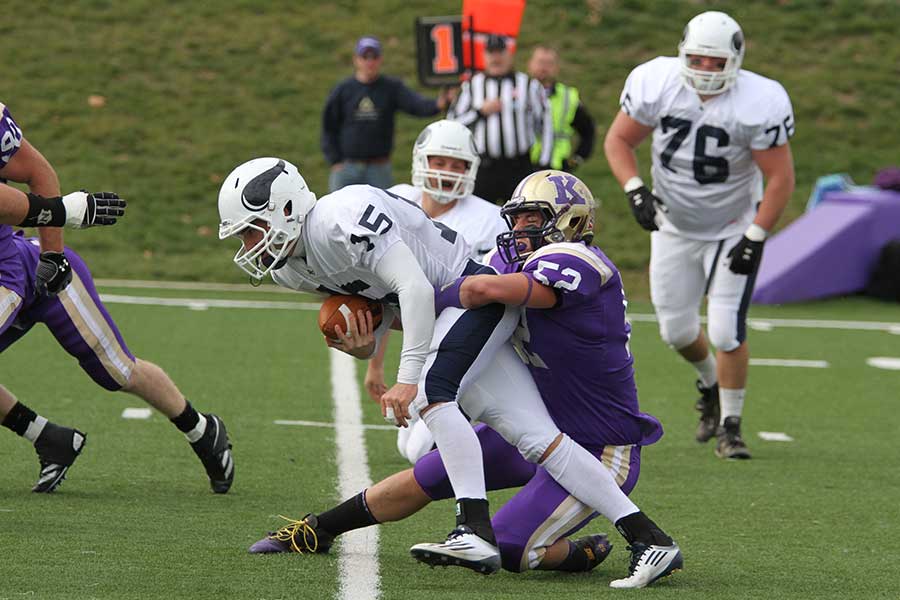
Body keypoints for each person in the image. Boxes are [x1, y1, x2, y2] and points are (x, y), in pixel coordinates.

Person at [245, 171, 682, 589]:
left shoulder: (578, 259)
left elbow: (477, 291)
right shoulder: (517, 257)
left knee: (507, 536)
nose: (521, 228)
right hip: (555, 423)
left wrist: (414, 301)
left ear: (571, 219)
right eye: (518, 218)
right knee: (431, 471)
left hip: (601, 442)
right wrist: (375, 328)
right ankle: (319, 529)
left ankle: (486, 530)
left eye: (536, 218)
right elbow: (464, 294)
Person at [0, 102, 234, 494]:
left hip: (16, 273)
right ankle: (48, 438)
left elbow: (36, 171)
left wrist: (53, 255)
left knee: (118, 372)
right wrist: (64, 211)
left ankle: (201, 429)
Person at [603, 11, 796, 459]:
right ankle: (710, 383)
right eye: (698, 59)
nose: (706, 70)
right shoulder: (656, 81)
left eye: (716, 62)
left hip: (732, 226)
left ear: (736, 59)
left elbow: (781, 178)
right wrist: (635, 191)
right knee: (676, 331)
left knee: (727, 330)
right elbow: (619, 141)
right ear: (682, 54)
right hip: (673, 225)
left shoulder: (760, 100)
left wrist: (756, 234)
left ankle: (731, 425)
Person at [367, 119, 507, 463]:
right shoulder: (397, 201)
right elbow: (386, 291)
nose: (447, 172)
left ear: (471, 169)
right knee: (407, 443)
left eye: (457, 165)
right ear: (421, 161)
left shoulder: (489, 220)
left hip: (473, 337)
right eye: (439, 162)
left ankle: (502, 438)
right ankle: (489, 422)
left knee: (418, 451)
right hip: (426, 340)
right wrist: (375, 365)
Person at [321, 36, 453, 192]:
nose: (369, 62)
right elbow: (328, 125)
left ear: (380, 59)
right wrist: (335, 160)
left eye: (374, 57)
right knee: (338, 212)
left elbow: (416, 105)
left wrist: (439, 104)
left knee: (382, 210)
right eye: (365, 57)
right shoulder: (343, 89)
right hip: (347, 167)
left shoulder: (391, 88)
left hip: (379, 167)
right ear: (356, 59)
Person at [447, 34, 552, 203]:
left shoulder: (529, 85)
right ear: (484, 56)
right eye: (491, 53)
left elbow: (545, 125)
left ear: (509, 54)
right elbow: (452, 123)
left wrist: (544, 164)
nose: (496, 58)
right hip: (484, 168)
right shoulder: (472, 86)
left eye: (500, 53)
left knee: (523, 219)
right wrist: (480, 112)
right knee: (481, 221)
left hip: (519, 166)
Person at [527, 45, 596, 172]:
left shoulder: (568, 97)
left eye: (549, 63)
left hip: (557, 168)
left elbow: (588, 131)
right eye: (540, 62)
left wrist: (576, 160)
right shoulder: (519, 92)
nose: (544, 67)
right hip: (524, 166)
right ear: (530, 64)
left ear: (556, 68)